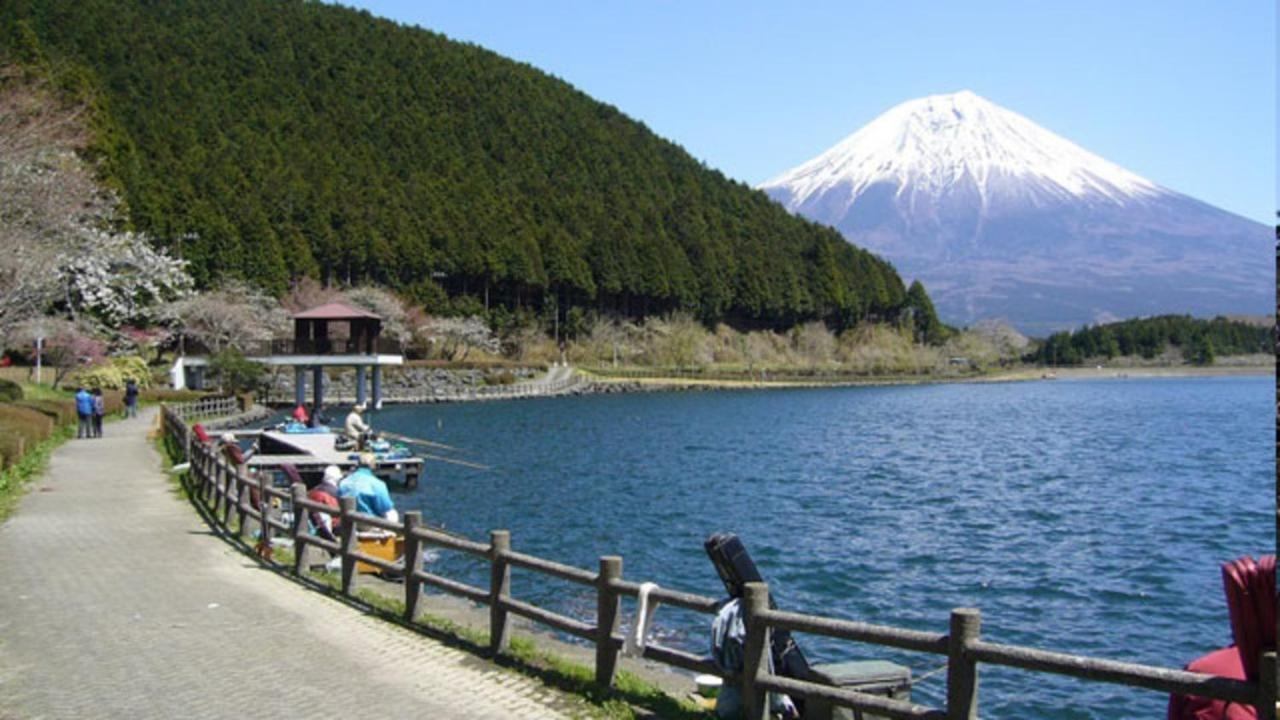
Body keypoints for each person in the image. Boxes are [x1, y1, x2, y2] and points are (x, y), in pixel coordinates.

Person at [337, 453, 398, 523]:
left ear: (358, 464)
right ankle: (390, 533)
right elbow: (385, 508)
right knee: (392, 513)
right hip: (369, 523)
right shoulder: (378, 484)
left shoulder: (344, 482)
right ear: (373, 466)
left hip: (348, 521)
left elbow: (338, 501)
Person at [307, 465, 343, 542]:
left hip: (317, 527)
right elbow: (337, 515)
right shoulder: (335, 493)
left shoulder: (313, 491)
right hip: (333, 529)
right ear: (337, 479)